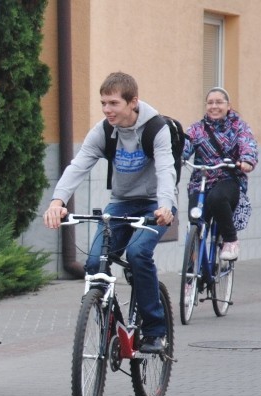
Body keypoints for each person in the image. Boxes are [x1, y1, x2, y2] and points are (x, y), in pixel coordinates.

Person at [43, 72, 176, 354]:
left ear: (133, 102)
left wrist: (165, 205)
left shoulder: (156, 129)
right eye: (103, 103)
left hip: (155, 204)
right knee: (94, 264)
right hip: (122, 202)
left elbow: (166, 169)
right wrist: (58, 201)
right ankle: (110, 322)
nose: (107, 110)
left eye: (113, 103)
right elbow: (78, 165)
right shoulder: (104, 130)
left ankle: (155, 330)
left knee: (138, 254)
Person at [182, 87, 258, 261]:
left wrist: (247, 160)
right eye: (210, 102)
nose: (214, 106)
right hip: (200, 182)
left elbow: (248, 145)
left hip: (228, 179)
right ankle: (190, 278)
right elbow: (185, 147)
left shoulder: (239, 127)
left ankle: (230, 240)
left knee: (216, 198)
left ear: (228, 105)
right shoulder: (197, 129)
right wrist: (177, 156)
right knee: (195, 223)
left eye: (219, 102)